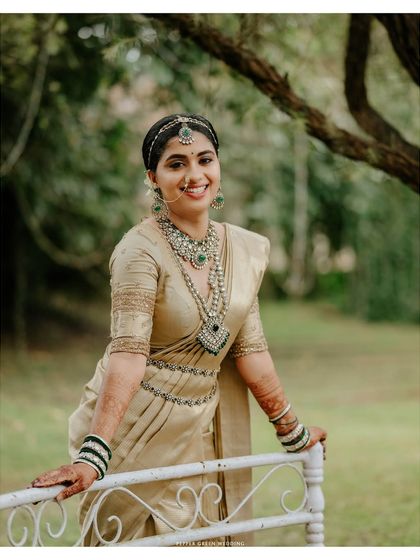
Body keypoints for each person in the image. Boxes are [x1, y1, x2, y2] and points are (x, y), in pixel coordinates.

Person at [30, 113, 327, 546]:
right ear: (153, 178)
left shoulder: (241, 251)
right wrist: (95, 456)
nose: (194, 175)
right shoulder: (139, 251)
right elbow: (127, 355)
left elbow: (250, 351)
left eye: (204, 159)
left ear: (218, 166)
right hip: (137, 429)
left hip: (206, 427)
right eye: (176, 164)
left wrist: (293, 431)